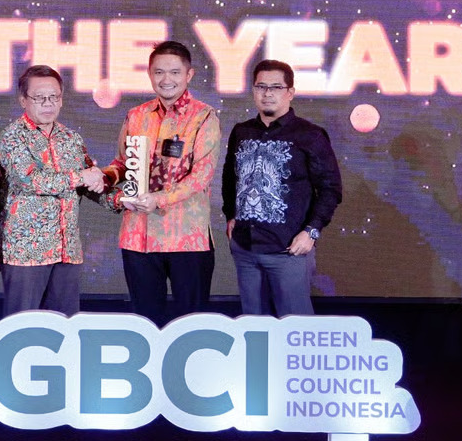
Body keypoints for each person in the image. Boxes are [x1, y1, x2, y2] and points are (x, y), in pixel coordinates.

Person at [102, 41, 221, 325]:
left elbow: (201, 176)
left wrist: (159, 199)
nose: (166, 79)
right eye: (159, 72)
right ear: (149, 74)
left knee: (191, 323)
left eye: (175, 72)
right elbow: (123, 163)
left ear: (189, 75)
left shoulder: (204, 116)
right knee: (145, 321)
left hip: (186, 237)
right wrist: (104, 177)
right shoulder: (136, 115)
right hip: (138, 235)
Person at [221, 60, 343, 316]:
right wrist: (231, 214)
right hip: (245, 248)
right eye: (261, 86)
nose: (267, 93)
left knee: (295, 325)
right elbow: (230, 178)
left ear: (290, 92)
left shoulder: (310, 135)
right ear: (253, 90)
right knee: (253, 325)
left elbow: (330, 189)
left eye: (276, 87)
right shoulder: (242, 131)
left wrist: (311, 231)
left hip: (288, 249)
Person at [0, 65, 104, 316]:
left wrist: (124, 199)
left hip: (67, 251)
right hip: (27, 252)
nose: (48, 104)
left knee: (64, 326)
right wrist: (82, 177)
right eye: (39, 98)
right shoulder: (13, 137)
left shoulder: (71, 139)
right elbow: (31, 180)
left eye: (54, 97)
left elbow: (89, 183)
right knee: (22, 326)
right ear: (23, 100)